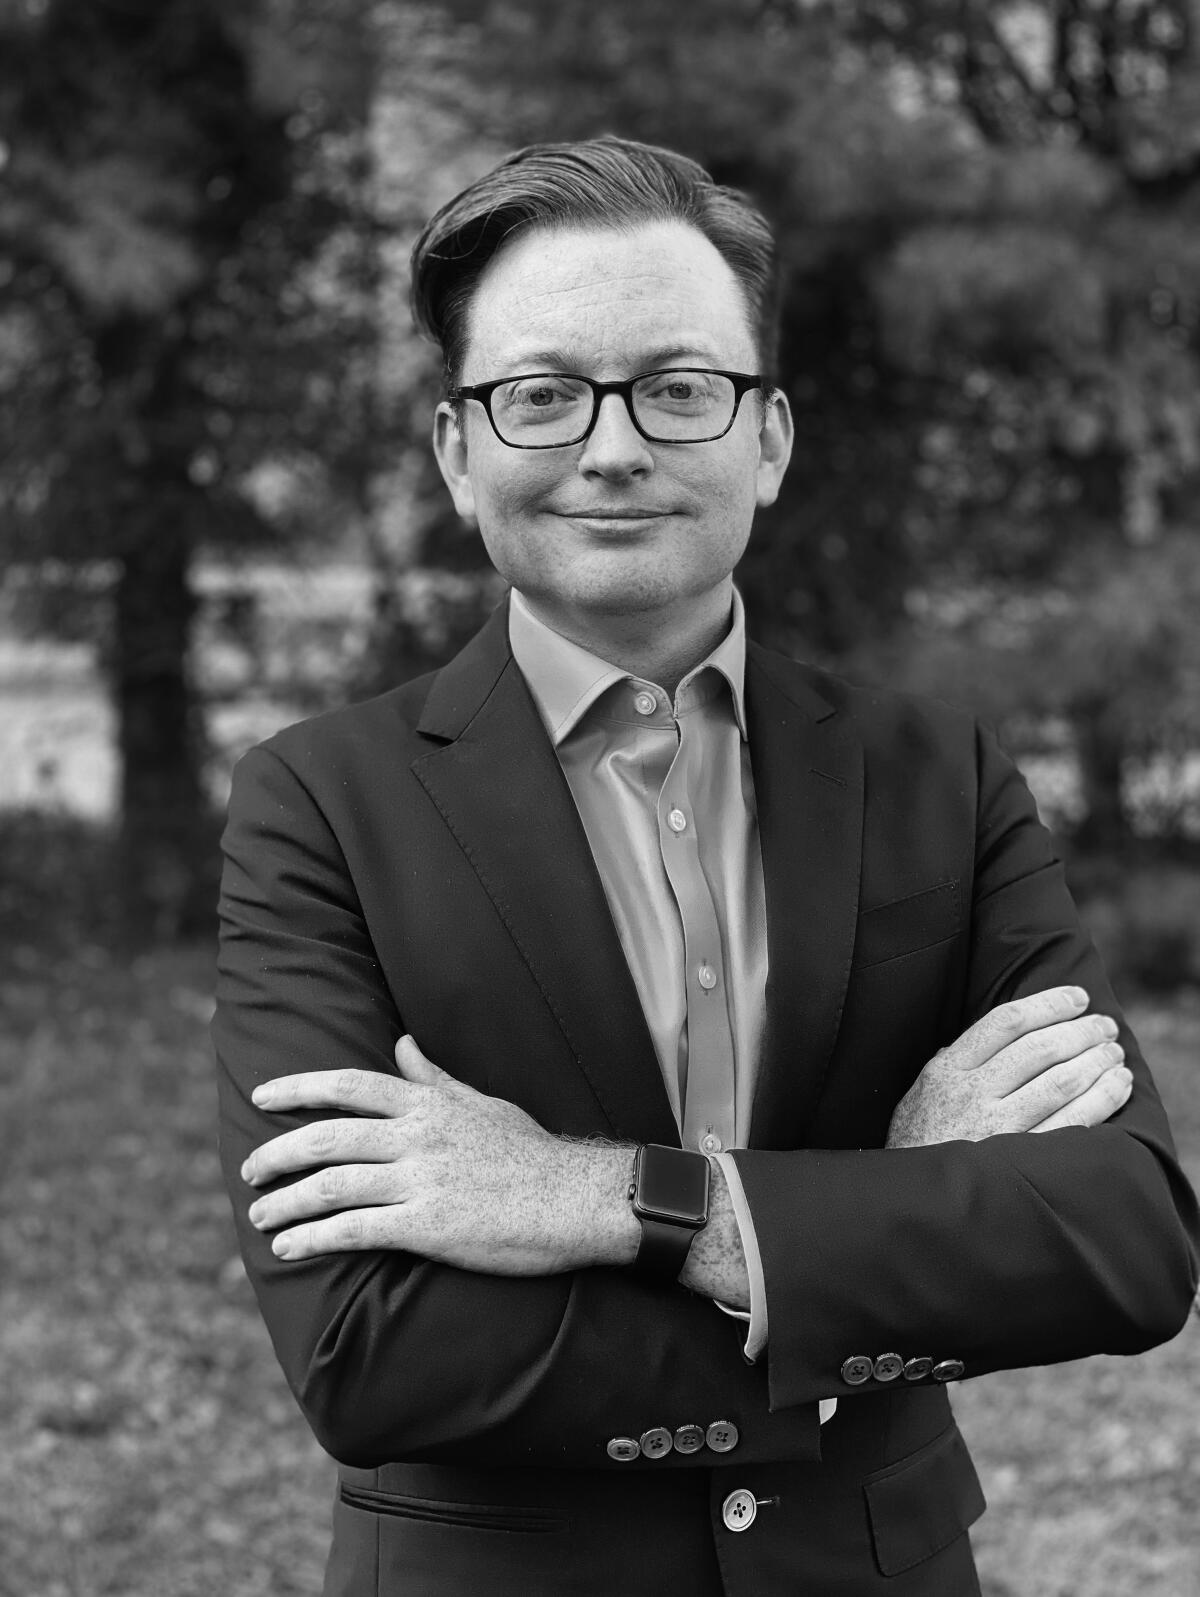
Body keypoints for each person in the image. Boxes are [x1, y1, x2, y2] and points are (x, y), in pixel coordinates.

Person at [213, 137, 1199, 1597]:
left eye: (680, 389)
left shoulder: (938, 777)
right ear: (456, 449)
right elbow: (372, 1351)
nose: (614, 447)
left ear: (771, 437)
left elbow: (1120, 1243)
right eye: (542, 394)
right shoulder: (319, 801)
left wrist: (608, 1199)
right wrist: (873, 1212)